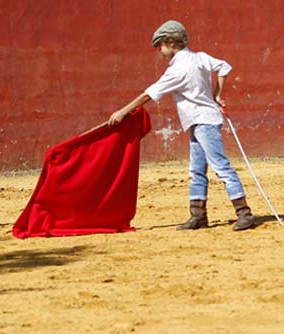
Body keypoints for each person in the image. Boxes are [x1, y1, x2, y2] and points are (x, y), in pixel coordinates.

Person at [108, 20, 256, 231]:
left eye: (161, 46)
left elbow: (149, 93)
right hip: (201, 121)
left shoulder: (178, 70)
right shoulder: (200, 57)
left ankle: (244, 213)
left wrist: (123, 111)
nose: (159, 51)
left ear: (171, 42)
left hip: (203, 121)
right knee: (197, 169)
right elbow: (224, 67)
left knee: (220, 167)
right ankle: (198, 216)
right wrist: (217, 93)